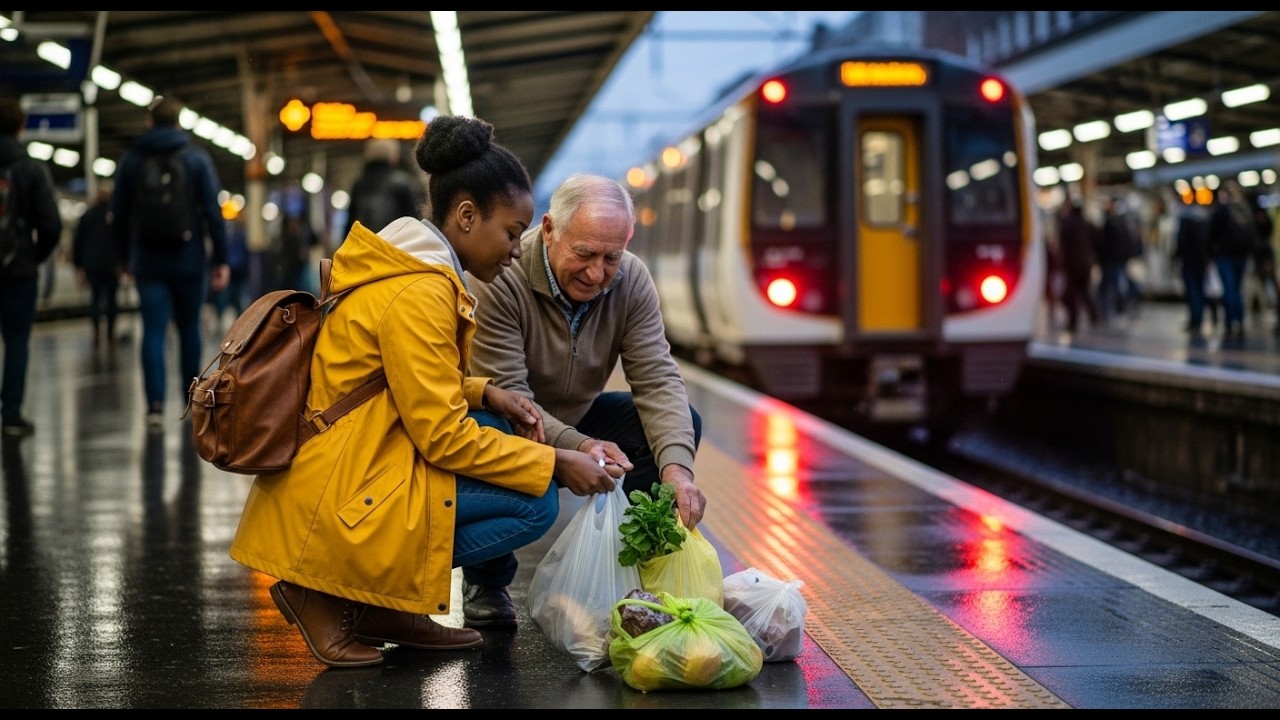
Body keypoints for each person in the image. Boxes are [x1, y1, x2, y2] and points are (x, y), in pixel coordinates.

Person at [227, 115, 622, 669]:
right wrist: (554, 460)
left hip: (354, 460)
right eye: (511, 233)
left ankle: (385, 605)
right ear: (466, 216)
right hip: (345, 486)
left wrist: (485, 394)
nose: (516, 250)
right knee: (534, 502)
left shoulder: (403, 264)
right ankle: (331, 593)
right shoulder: (421, 289)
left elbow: (397, 380)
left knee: (501, 432)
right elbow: (442, 437)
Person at [463, 173, 708, 628]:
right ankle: (487, 580)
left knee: (678, 425)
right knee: (491, 427)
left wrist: (678, 470)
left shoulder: (631, 279)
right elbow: (512, 396)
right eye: (585, 255)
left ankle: (635, 562)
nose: (597, 274)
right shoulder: (501, 277)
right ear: (551, 230)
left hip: (576, 414)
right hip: (510, 419)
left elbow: (656, 378)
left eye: (611, 257)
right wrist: (579, 448)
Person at [110, 96, 229, 427]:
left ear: (150, 122)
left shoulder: (132, 161)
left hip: (147, 260)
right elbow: (213, 213)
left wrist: (123, 258)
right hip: (189, 260)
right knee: (189, 328)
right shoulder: (195, 159)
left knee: (153, 330)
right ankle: (190, 402)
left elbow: (118, 214)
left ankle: (155, 407)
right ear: (179, 123)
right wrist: (220, 259)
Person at [0, 97, 63, 437]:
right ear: (21, 128)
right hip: (19, 272)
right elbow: (52, 226)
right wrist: (33, 257)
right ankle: (10, 414)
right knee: (16, 342)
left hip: (21, 267)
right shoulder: (32, 169)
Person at [72, 182, 124, 348]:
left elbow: (78, 242)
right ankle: (110, 335)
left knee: (95, 298)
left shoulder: (87, 215)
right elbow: (122, 240)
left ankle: (95, 332)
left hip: (91, 264)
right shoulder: (116, 216)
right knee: (111, 300)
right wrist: (123, 263)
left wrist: (78, 266)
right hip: (111, 264)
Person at [345, 137, 426, 235]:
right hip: (392, 245)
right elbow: (412, 222)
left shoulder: (359, 185)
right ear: (393, 156)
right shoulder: (402, 183)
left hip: (364, 244)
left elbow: (350, 222)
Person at [1208, 181, 1256, 340]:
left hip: (1225, 255)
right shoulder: (1245, 209)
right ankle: (1240, 322)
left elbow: (1211, 233)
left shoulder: (1221, 209)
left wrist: (1211, 254)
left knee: (1229, 290)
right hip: (1242, 256)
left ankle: (1230, 323)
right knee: (1237, 289)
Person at [1055, 200, 1101, 333]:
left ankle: (1073, 321)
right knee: (1085, 291)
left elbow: (1062, 246)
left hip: (1072, 264)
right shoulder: (1087, 224)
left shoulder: (1067, 224)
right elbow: (1097, 240)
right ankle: (1094, 315)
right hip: (1086, 263)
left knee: (1070, 294)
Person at [1173, 202, 1212, 338]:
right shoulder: (1205, 219)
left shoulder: (1185, 220)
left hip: (1189, 260)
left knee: (1192, 291)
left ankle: (1194, 320)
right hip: (1202, 261)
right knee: (1200, 290)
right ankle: (1199, 319)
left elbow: (1181, 240)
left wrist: (1176, 257)